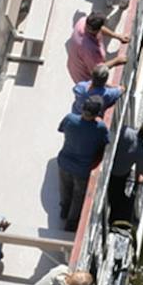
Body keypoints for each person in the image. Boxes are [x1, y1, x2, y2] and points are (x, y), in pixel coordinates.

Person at [54, 97, 110, 228]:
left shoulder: (69, 118)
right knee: (78, 196)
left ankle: (64, 210)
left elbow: (60, 129)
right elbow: (105, 142)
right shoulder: (100, 127)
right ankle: (71, 222)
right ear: (97, 114)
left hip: (64, 162)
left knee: (65, 187)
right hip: (82, 169)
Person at [108, 118, 143, 226]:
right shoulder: (141, 152)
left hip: (109, 165)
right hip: (119, 174)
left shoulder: (125, 131)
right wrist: (141, 180)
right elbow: (140, 173)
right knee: (117, 196)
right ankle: (113, 217)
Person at [66, 6, 125, 85]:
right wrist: (117, 61)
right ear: (95, 31)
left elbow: (101, 29)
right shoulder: (88, 49)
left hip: (77, 61)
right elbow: (97, 70)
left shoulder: (83, 21)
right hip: (84, 77)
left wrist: (117, 36)